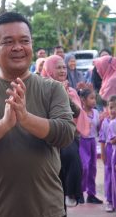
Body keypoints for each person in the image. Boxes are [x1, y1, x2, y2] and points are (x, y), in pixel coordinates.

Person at [0, 12, 76, 217]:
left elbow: (65, 134)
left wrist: (26, 119)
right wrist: (4, 124)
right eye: (8, 42)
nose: (18, 47)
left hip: (47, 209)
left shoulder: (53, 89)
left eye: (24, 41)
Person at [41, 54, 87, 207]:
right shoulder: (42, 88)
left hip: (68, 135)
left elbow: (77, 112)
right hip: (48, 138)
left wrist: (64, 94)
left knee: (74, 161)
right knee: (55, 182)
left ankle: (71, 193)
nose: (62, 70)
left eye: (63, 67)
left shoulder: (71, 91)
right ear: (49, 70)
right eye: (58, 67)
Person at [79, 88, 103, 204]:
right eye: (91, 98)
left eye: (95, 98)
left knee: (92, 168)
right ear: (83, 100)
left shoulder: (96, 113)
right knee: (84, 167)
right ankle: (79, 192)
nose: (94, 101)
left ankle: (91, 194)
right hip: (82, 142)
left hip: (92, 141)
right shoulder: (79, 112)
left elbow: (98, 128)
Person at [99, 95, 116, 213]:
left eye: (115, 107)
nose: (113, 110)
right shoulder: (105, 123)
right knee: (109, 177)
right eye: (111, 107)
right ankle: (110, 201)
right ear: (107, 108)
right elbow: (102, 140)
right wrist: (103, 154)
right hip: (109, 150)